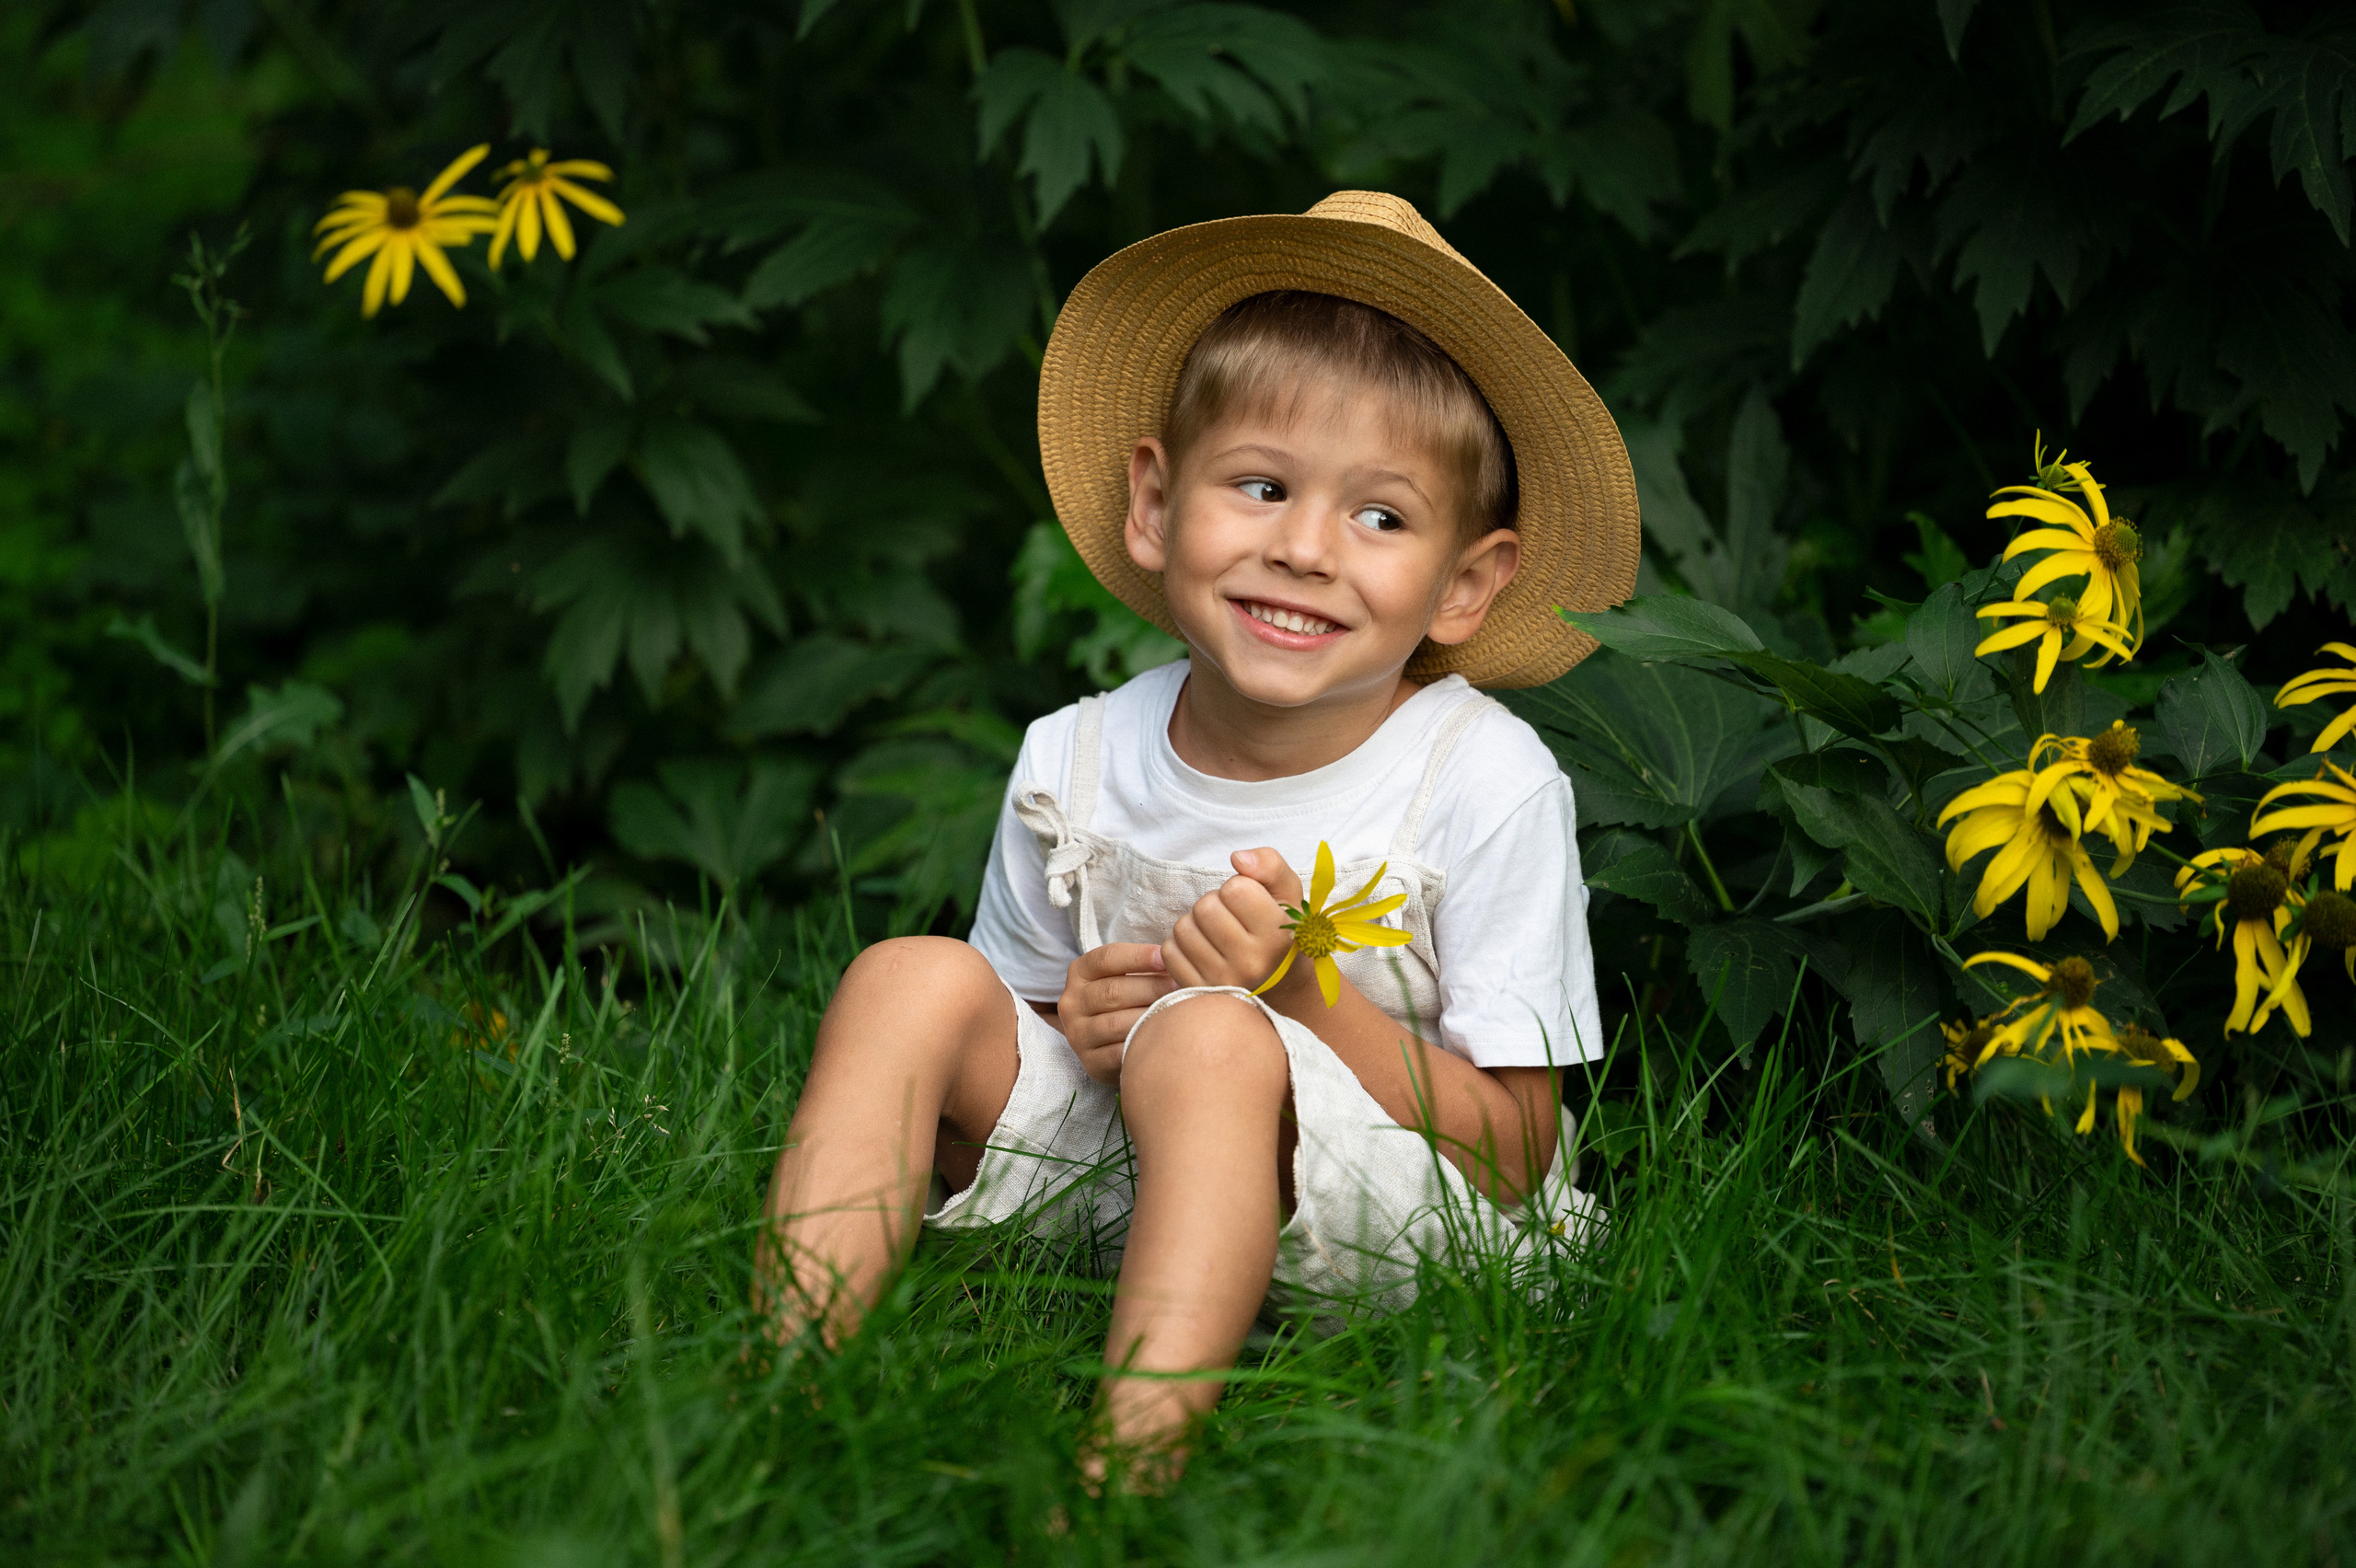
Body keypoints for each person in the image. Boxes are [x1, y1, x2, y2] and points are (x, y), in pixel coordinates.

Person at [754, 190, 1639, 1484]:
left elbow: (1517, 1152)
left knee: (1215, 1035)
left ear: (1466, 582)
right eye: (1264, 486)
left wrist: (1297, 996)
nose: (1303, 549)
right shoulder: (1082, 755)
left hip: (1392, 1223)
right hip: (1128, 1188)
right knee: (910, 976)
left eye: (1380, 517)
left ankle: (1126, 1472)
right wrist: (1081, 1020)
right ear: (1158, 506)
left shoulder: (1482, 779)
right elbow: (1017, 1044)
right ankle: (776, 1392)